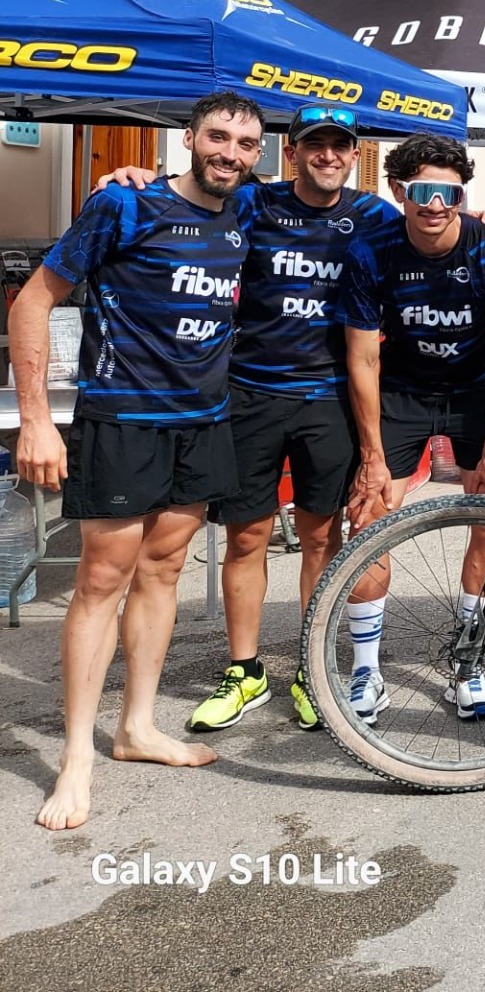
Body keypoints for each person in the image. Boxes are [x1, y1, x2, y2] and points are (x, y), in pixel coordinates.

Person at [14, 92, 264, 831]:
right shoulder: (124, 207)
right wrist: (37, 421)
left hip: (203, 423)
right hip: (121, 420)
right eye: (218, 136)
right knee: (99, 581)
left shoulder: (246, 212)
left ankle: (137, 728)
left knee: (164, 570)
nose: (231, 151)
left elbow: (330, 197)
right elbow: (32, 303)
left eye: (246, 143)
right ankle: (76, 760)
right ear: (189, 138)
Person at [182, 106, 402, 733]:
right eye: (315, 145)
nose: (328, 156)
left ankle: (311, 666)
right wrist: (136, 175)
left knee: (320, 538)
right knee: (246, 537)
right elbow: (191, 199)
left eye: (339, 146)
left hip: (330, 399)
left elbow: (435, 235)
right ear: (293, 152)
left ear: (353, 154)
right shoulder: (256, 203)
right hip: (250, 394)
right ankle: (245, 671)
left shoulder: (374, 216)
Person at [340, 135, 485, 722]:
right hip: (403, 389)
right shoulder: (371, 252)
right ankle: (367, 671)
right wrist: (372, 455)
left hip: (477, 392)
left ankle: (468, 660)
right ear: (399, 191)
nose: (434, 204)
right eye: (421, 191)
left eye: (448, 192)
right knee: (369, 515)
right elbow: (362, 358)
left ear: (461, 194)